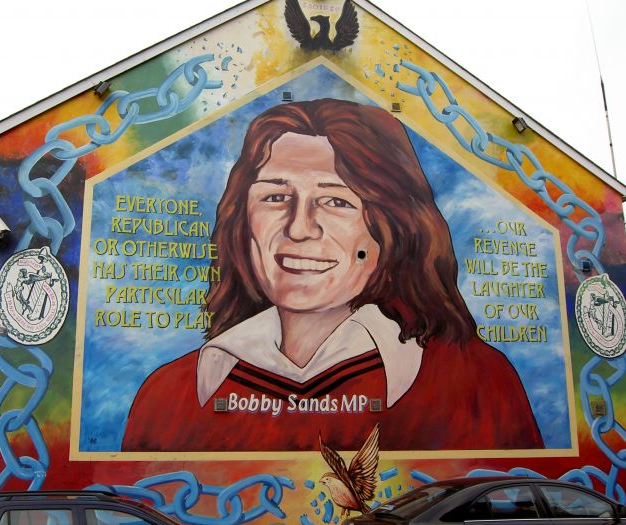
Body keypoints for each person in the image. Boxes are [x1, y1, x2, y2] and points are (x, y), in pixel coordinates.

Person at [122, 98, 544, 452]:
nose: (299, 228)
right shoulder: (172, 394)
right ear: (242, 220)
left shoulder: (473, 382)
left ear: (393, 226)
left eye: (336, 202)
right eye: (275, 197)